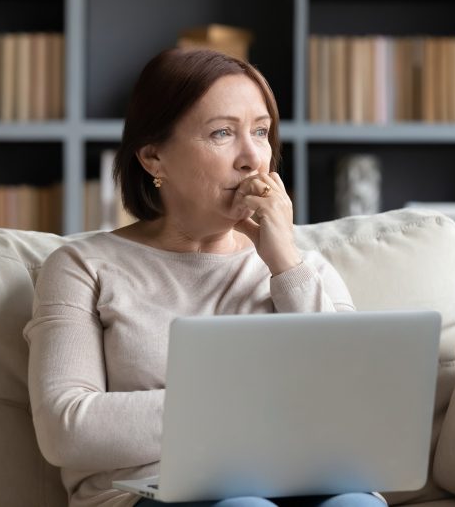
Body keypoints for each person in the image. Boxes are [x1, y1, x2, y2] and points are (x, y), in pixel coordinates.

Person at [23, 48, 387, 507]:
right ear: (154, 158)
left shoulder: (299, 267)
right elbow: (66, 429)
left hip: (300, 483)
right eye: (222, 133)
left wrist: (286, 266)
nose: (253, 158)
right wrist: (256, 407)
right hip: (156, 493)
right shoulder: (82, 266)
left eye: (260, 132)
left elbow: (354, 411)